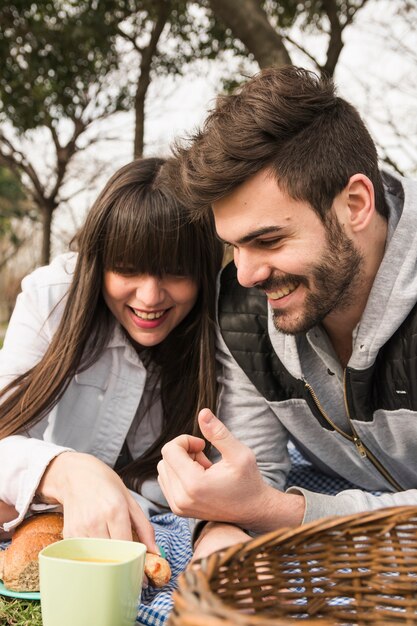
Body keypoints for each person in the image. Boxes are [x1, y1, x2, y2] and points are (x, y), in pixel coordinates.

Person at [157, 66, 417, 558]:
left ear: (355, 204)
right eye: (233, 246)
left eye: (269, 239)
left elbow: (264, 502)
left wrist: (277, 512)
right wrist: (220, 530)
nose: (247, 276)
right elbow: (252, 470)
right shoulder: (240, 308)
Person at [0, 157, 223, 550]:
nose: (150, 297)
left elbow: (232, 476)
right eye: (127, 270)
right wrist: (67, 470)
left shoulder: (223, 321)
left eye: (175, 271)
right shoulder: (51, 297)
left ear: (202, 272)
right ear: (98, 264)